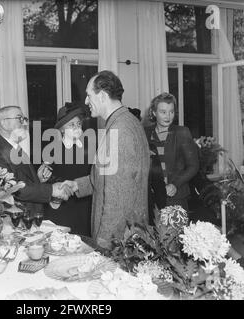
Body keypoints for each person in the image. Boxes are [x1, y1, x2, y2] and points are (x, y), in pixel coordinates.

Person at [63, 70, 150, 249]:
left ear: (102, 96)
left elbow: (117, 198)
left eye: (89, 96)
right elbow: (109, 178)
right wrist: (77, 185)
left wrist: (103, 244)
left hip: (118, 240)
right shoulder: (126, 122)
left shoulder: (119, 131)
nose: (86, 101)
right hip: (127, 233)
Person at [0, 106, 71, 214]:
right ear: (4, 123)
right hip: (13, 221)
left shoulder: (17, 149)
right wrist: (51, 190)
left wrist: (38, 179)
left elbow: (22, 181)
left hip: (29, 217)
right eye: (19, 118)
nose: (24, 123)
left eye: (24, 119)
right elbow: (12, 189)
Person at [144, 92, 199, 223]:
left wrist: (175, 184)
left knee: (175, 240)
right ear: (153, 112)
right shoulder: (145, 133)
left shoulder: (182, 132)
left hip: (176, 198)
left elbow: (193, 166)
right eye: (163, 112)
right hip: (152, 199)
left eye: (171, 112)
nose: (168, 116)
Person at [44, 102, 93, 237]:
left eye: (78, 124)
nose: (77, 128)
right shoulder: (52, 149)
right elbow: (47, 177)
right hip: (63, 204)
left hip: (85, 203)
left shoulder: (89, 148)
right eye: (72, 125)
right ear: (62, 129)